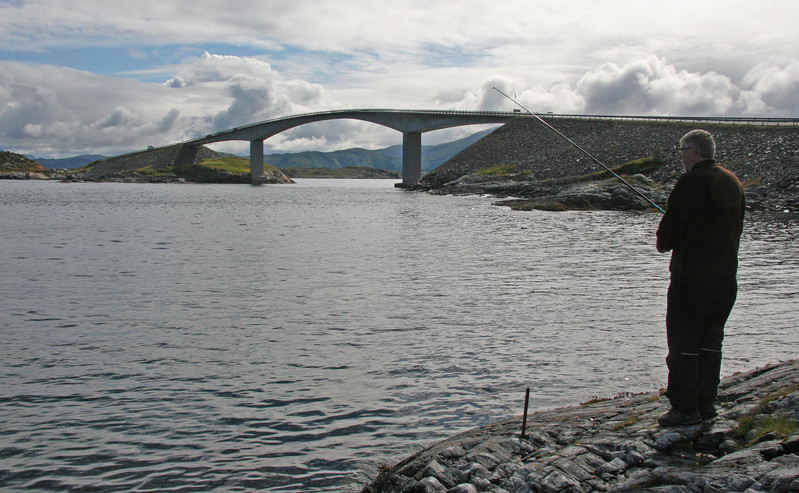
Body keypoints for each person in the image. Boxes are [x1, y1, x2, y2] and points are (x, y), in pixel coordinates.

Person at [655, 129, 745, 427]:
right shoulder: (733, 181)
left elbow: (666, 238)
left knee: (682, 345)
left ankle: (683, 409)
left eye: (681, 149)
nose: (680, 154)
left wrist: (665, 236)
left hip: (691, 280)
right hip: (725, 281)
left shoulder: (691, 181)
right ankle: (706, 404)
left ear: (693, 151)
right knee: (710, 343)